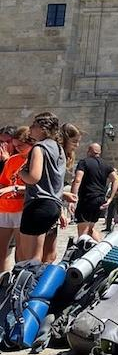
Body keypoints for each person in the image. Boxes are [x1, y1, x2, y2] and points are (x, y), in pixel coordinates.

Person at [17, 112, 66, 263]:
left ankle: (28, 279)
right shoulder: (59, 149)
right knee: (46, 258)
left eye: (34, 125)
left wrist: (21, 173)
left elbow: (34, 177)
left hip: (37, 204)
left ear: (43, 128)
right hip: (54, 206)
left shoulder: (39, 147)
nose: (30, 128)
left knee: (28, 259)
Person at [42, 123, 81, 264]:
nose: (77, 145)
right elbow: (49, 184)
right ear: (65, 139)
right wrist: (62, 201)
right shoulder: (57, 155)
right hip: (45, 205)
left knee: (50, 254)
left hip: (52, 204)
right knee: (45, 254)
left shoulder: (61, 156)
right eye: (74, 141)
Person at [0, 127, 35, 271]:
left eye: (20, 145)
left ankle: (18, 278)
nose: (17, 149)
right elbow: (4, 181)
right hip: (5, 207)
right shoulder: (12, 160)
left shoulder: (35, 161)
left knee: (21, 252)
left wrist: (14, 189)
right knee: (1, 250)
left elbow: (36, 187)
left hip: (22, 208)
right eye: (15, 146)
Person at [70, 143, 118, 241]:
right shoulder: (106, 164)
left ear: (89, 151)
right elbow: (115, 179)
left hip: (87, 199)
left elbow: (78, 180)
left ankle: (83, 249)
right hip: (100, 200)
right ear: (99, 152)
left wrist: (72, 197)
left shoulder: (84, 162)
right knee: (90, 229)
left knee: (83, 232)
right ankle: (102, 247)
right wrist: (110, 198)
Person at [103, 168, 118, 232]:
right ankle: (108, 227)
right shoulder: (113, 179)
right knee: (110, 211)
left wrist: (115, 193)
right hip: (113, 197)